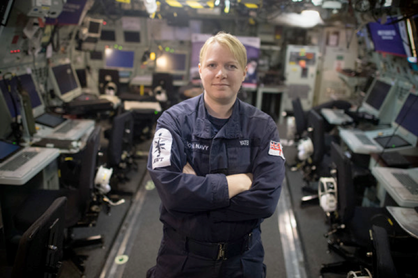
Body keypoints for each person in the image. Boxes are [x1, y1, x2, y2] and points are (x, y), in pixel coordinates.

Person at [146, 31, 285, 278]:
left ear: (244, 73)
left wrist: (194, 197)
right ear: (200, 70)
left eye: (231, 66)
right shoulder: (173, 122)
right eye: (212, 65)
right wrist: (239, 182)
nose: (221, 73)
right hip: (182, 259)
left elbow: (266, 200)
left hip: (243, 261)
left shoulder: (263, 127)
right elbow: (172, 194)